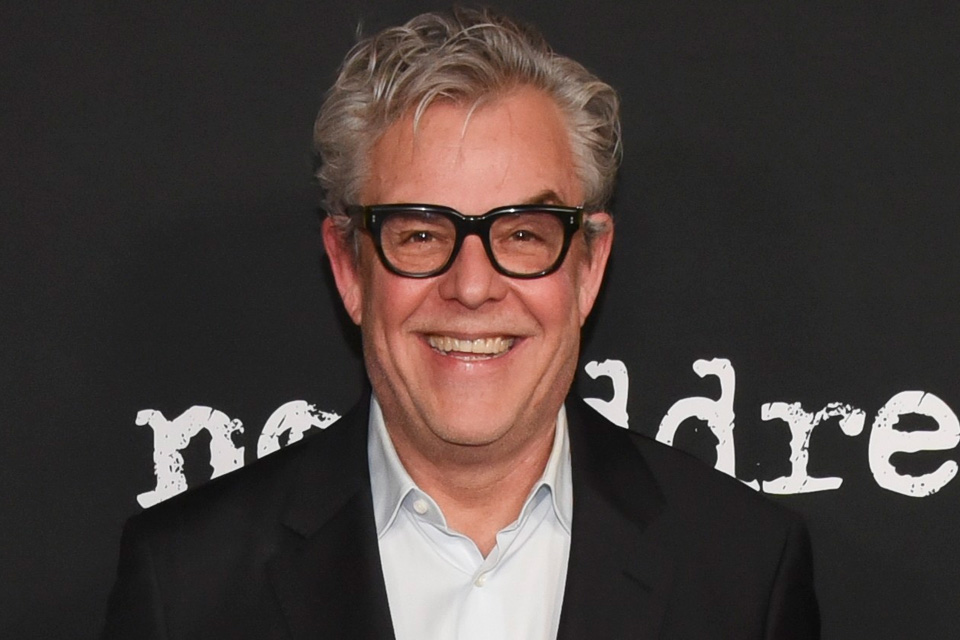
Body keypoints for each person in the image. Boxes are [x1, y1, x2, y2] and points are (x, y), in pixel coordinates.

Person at [102, 7, 819, 639]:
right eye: (420, 234)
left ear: (589, 266)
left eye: (524, 234)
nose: (472, 286)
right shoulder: (186, 587)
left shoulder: (742, 571)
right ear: (349, 267)